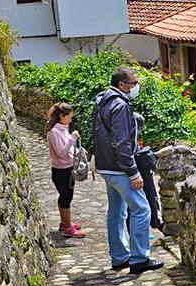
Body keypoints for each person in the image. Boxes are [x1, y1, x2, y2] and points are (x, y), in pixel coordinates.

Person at [93, 68, 163, 274]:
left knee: (116, 211)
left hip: (106, 166)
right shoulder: (120, 106)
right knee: (142, 209)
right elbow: (121, 142)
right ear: (122, 85)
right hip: (120, 168)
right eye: (134, 83)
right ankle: (140, 258)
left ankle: (119, 257)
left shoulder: (101, 102)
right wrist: (133, 172)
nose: (136, 87)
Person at [45, 102, 86, 239]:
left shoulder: (62, 128)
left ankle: (65, 223)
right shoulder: (54, 132)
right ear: (61, 116)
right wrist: (72, 138)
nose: (70, 120)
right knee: (66, 197)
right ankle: (67, 228)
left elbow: (67, 149)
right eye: (68, 117)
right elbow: (61, 152)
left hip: (67, 168)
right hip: (61, 170)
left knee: (66, 196)